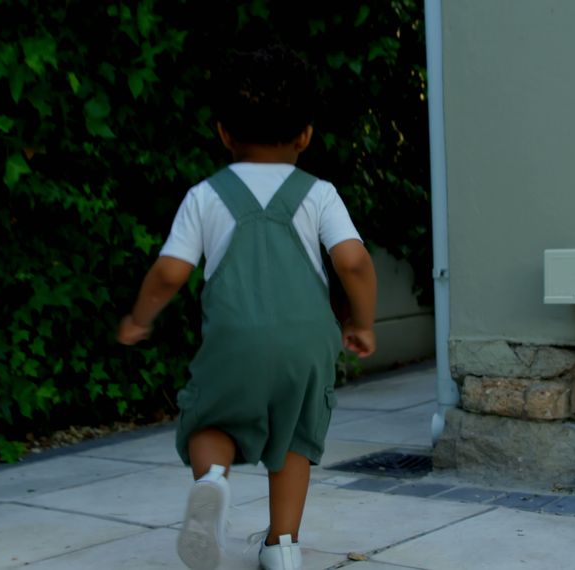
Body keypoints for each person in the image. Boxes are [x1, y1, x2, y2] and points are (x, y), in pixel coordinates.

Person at [117, 45, 377, 570]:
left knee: (211, 420)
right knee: (297, 437)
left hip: (233, 338)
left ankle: (213, 482)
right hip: (308, 341)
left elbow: (170, 272)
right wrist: (362, 322)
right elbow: (352, 262)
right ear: (305, 135)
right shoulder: (319, 194)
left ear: (223, 133)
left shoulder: (206, 196)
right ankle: (282, 546)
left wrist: (139, 319)